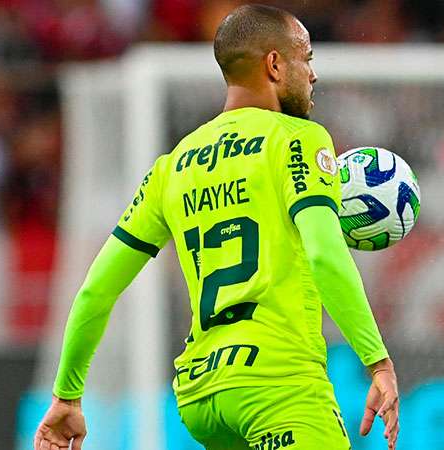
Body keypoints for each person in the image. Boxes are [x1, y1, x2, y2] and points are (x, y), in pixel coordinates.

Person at [33, 4, 399, 450]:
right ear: (275, 64)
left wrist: (67, 395)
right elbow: (325, 253)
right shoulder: (297, 139)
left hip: (201, 397)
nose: (313, 74)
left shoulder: (172, 166)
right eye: (307, 58)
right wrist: (377, 362)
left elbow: (96, 289)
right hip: (278, 385)